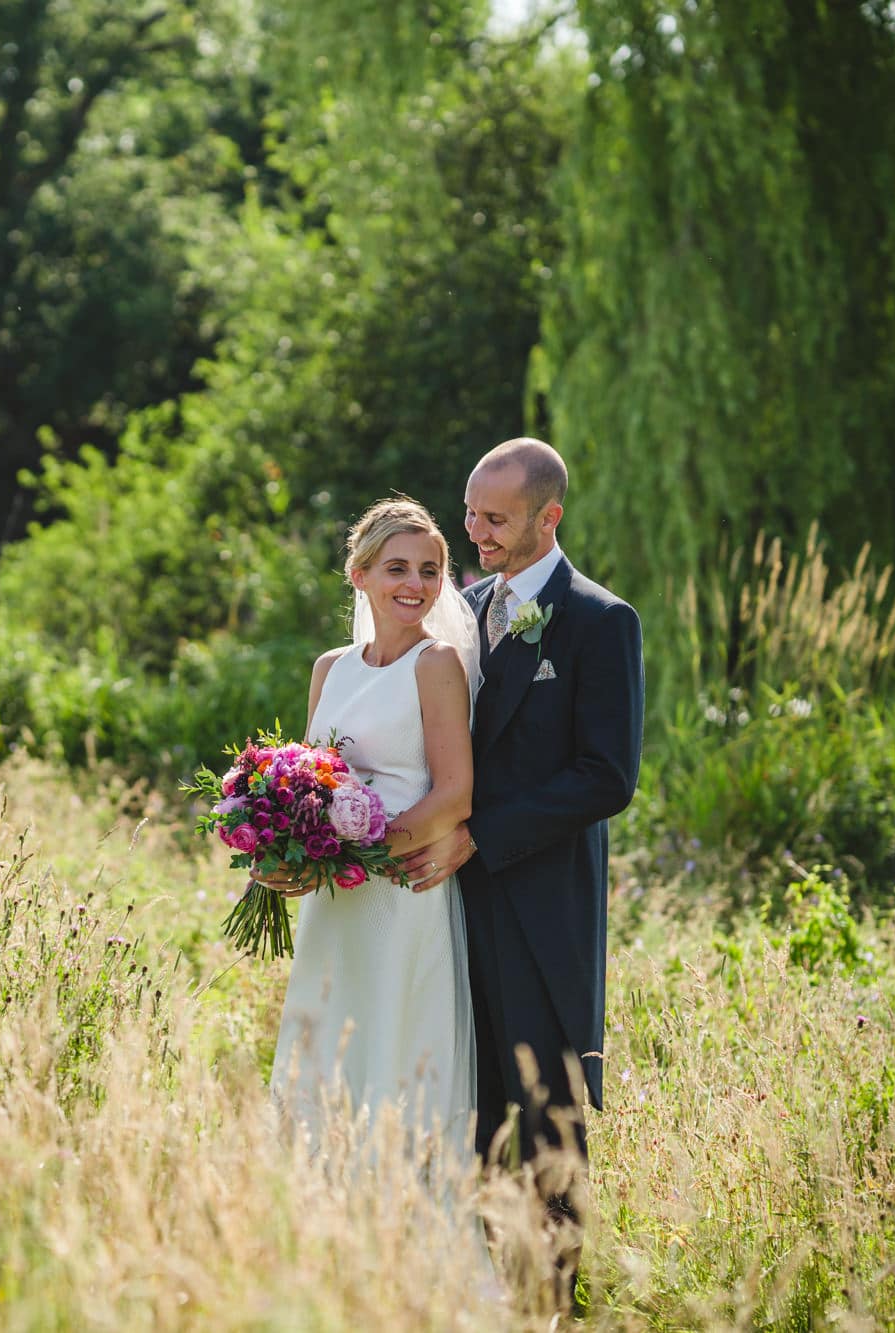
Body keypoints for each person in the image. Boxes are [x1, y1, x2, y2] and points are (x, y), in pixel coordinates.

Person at [404, 437, 645, 1313]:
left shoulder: (599, 620)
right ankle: (477, 1293)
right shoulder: (456, 609)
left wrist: (482, 834)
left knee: (547, 1116)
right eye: (469, 512)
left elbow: (607, 775)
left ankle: (552, 1304)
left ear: (550, 517)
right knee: (469, 1106)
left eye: (495, 518)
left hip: (543, 910)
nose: (474, 533)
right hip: (448, 906)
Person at [259, 497, 483, 1177]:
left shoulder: (435, 663)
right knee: (326, 1046)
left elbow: (455, 793)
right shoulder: (331, 667)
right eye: (397, 567)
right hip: (334, 904)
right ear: (358, 574)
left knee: (391, 1044)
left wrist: (359, 851)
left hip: (400, 893)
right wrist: (280, 850)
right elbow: (306, 776)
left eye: (430, 569)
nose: (415, 584)